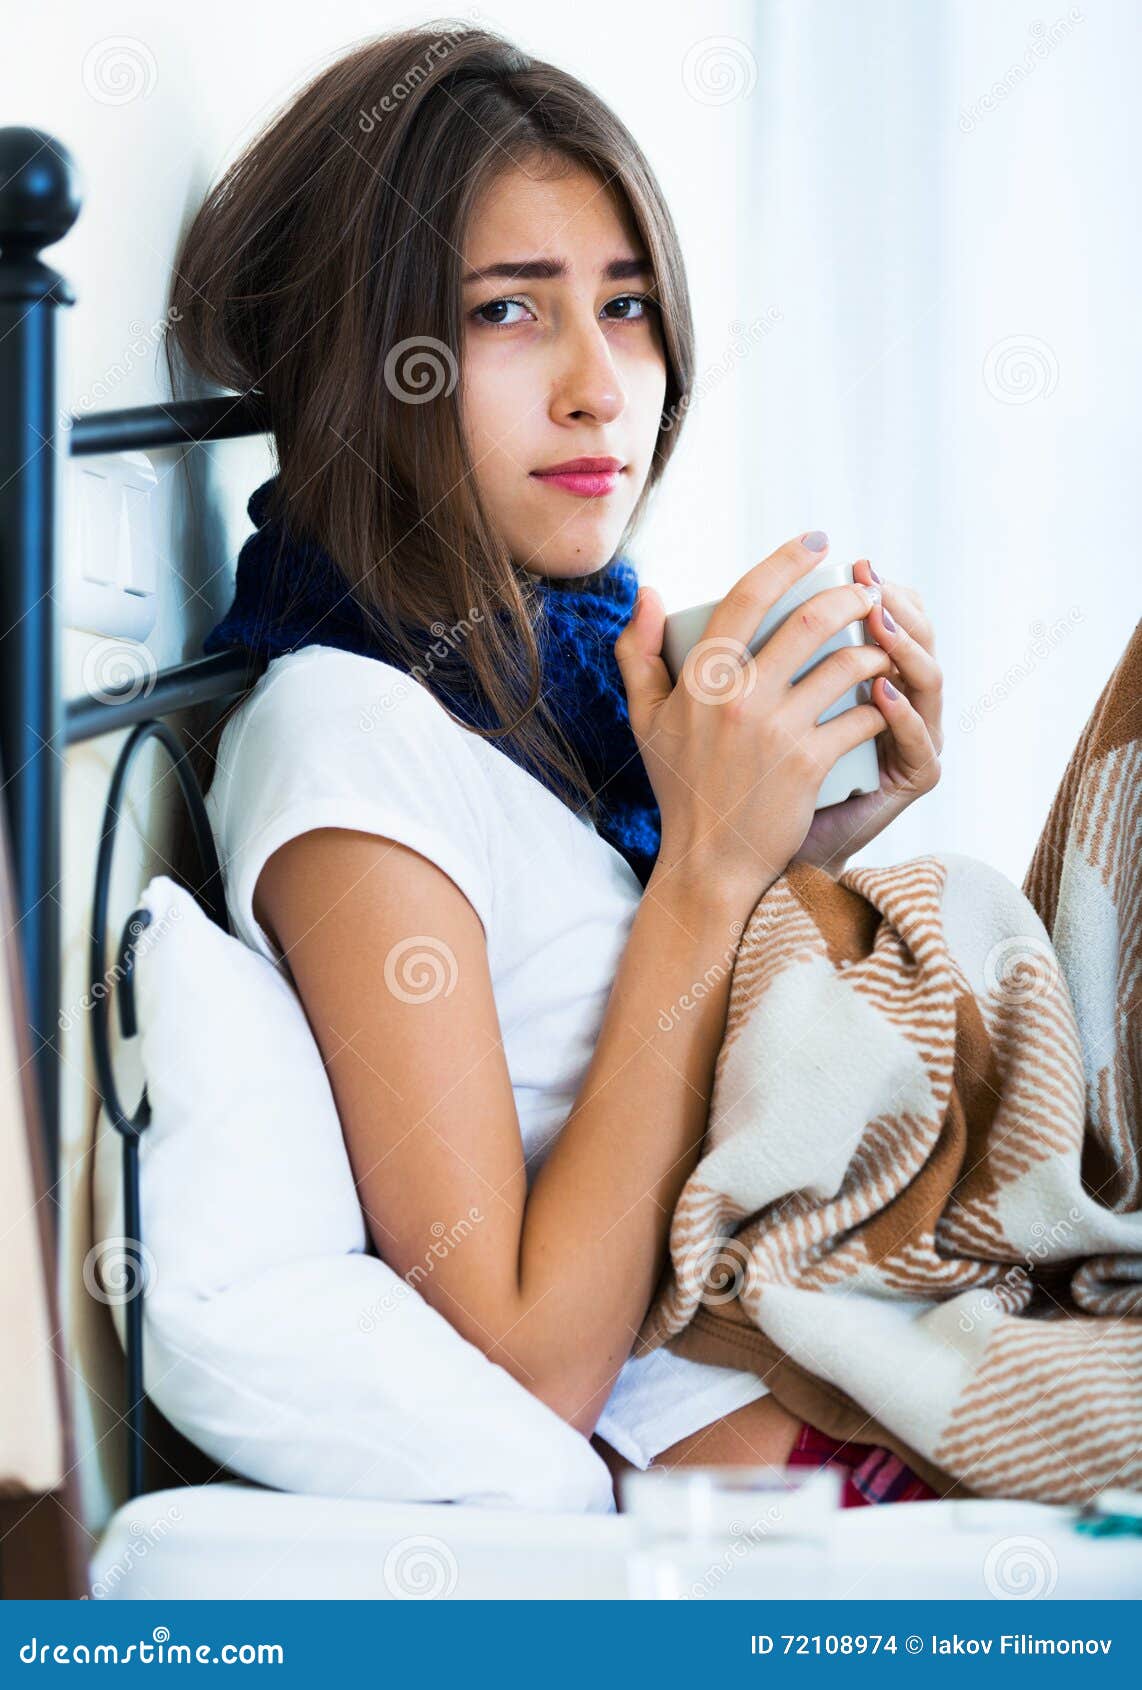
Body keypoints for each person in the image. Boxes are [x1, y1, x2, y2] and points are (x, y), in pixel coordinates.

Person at [168, 23, 943, 1506]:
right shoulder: (346, 738)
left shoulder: (550, 679)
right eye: (507, 313)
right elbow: (527, 1365)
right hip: (802, 1464)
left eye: (629, 305)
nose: (600, 386)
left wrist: (798, 845)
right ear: (363, 362)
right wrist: (711, 873)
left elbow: (589, 1009)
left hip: (878, 1344)